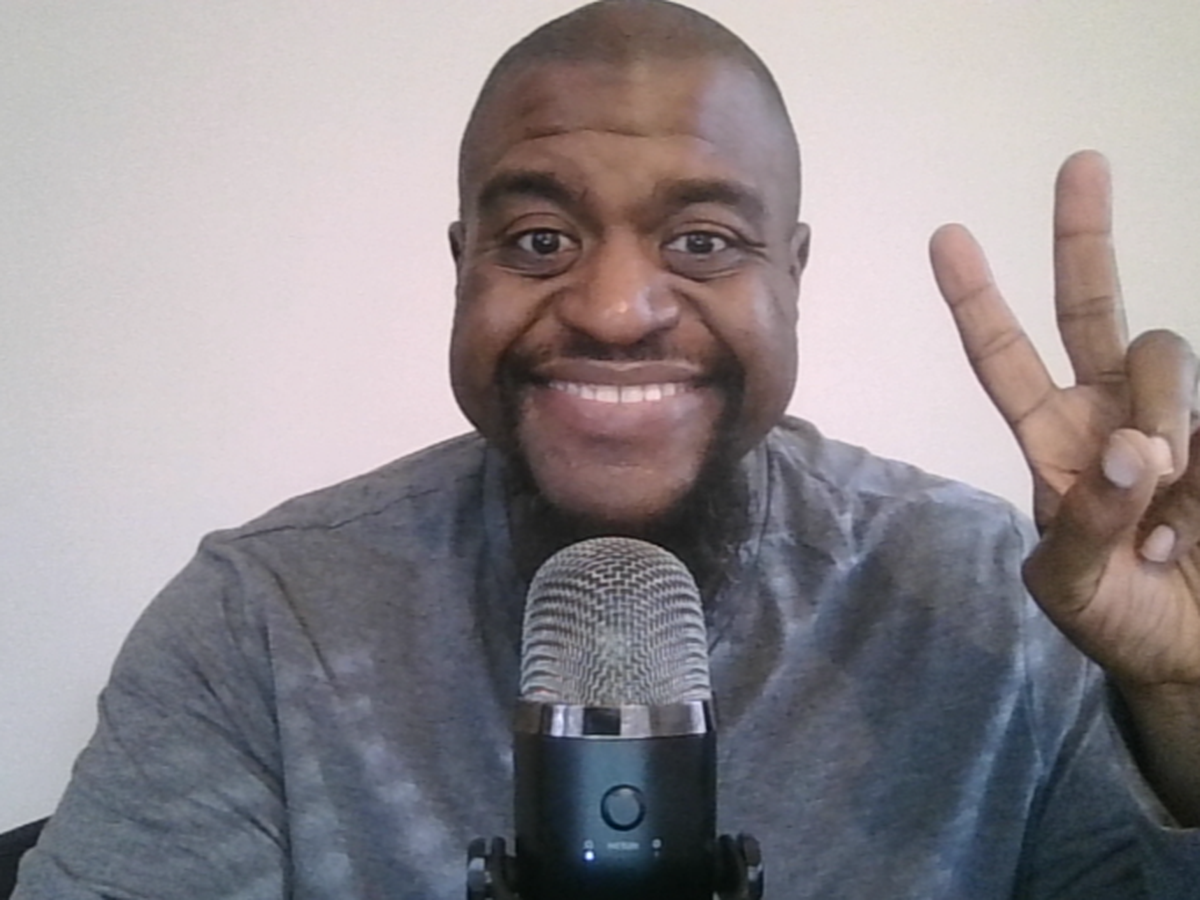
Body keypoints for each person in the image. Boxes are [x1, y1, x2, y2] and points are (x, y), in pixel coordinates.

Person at [13, 1, 1200, 897]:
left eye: (702, 240)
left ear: (793, 275)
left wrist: (1184, 697)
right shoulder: (263, 624)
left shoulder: (994, 597)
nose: (617, 309)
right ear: (463, 266)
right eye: (539, 238)